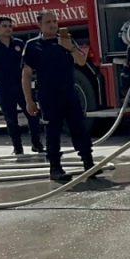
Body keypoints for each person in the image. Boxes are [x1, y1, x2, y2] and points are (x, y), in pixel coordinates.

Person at [21, 11, 97, 182]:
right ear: (39, 24)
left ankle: (88, 164)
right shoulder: (33, 45)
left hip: (70, 93)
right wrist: (28, 100)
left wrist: (69, 47)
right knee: (53, 132)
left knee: (79, 129)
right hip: (48, 95)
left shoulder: (66, 40)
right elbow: (26, 74)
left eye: (55, 21)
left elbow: (81, 61)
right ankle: (55, 168)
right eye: (48, 22)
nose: (53, 25)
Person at [0, 17, 43, 155]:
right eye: (5, 26)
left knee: (32, 114)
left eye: (10, 26)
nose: (8, 28)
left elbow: (27, 63)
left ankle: (36, 144)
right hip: (4, 87)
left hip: (21, 85)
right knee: (11, 119)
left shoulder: (19, 44)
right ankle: (17, 147)